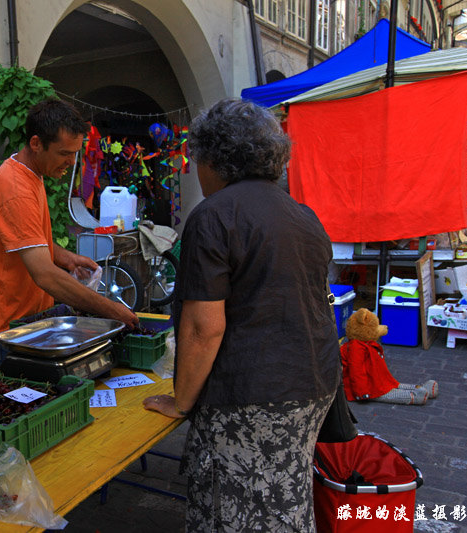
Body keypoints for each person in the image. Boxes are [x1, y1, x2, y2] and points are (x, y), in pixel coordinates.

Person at [142, 99, 340, 532]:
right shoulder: (302, 215)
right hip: (314, 383)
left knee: (234, 510)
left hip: (253, 396)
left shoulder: (215, 215)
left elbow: (202, 328)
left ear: (213, 159)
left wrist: (181, 402)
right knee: (285, 501)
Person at [0, 98, 138, 370]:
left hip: (31, 324)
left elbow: (26, 242)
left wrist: (66, 258)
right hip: (5, 334)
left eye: (75, 153)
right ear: (36, 143)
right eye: (64, 154)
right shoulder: (14, 188)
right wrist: (109, 310)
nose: (71, 162)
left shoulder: (30, 173)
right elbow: (44, 275)